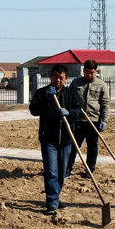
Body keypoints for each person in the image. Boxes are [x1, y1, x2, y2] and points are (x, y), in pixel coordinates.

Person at [29, 64, 81, 214]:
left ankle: (55, 197)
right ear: (50, 77)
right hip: (48, 139)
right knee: (51, 171)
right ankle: (52, 201)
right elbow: (33, 110)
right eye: (55, 77)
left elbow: (79, 111)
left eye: (61, 78)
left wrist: (69, 112)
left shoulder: (71, 94)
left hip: (66, 139)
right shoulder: (41, 93)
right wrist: (46, 98)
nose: (58, 80)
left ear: (66, 79)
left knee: (61, 172)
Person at [66, 59, 110, 178]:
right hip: (77, 121)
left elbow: (105, 104)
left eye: (92, 73)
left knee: (92, 147)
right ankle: (67, 169)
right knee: (73, 146)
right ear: (83, 71)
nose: (89, 75)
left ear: (96, 72)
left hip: (93, 121)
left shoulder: (101, 85)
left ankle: (89, 170)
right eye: (87, 72)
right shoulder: (76, 83)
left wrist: (104, 121)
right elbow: (69, 99)